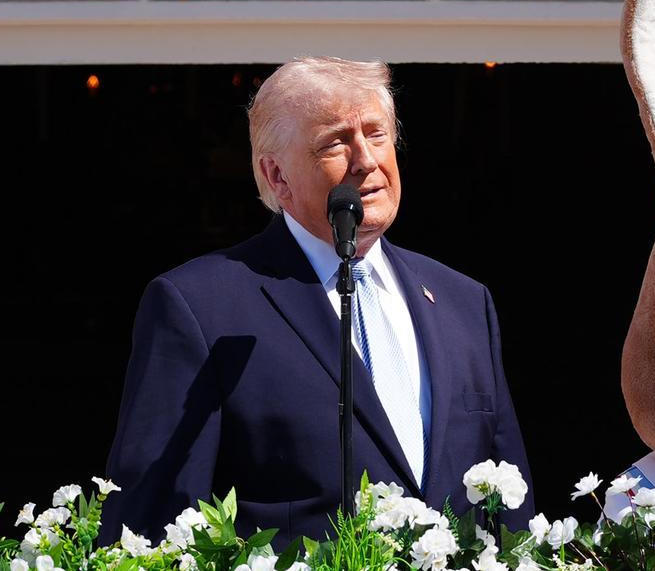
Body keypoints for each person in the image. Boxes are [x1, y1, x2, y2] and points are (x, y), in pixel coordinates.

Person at [101, 56, 533, 546]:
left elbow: (510, 512)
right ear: (278, 176)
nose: (366, 160)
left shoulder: (464, 302)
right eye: (335, 142)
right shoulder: (200, 309)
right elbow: (147, 525)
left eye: (376, 134)